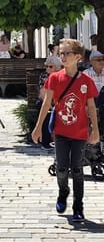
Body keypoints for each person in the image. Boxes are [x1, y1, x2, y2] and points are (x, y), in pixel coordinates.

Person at [31, 39, 100, 222]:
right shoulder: (54, 78)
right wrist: (38, 128)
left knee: (77, 169)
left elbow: (91, 107)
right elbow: (46, 104)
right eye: (61, 53)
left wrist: (96, 131)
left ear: (78, 57)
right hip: (61, 131)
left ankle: (78, 206)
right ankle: (63, 192)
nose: (62, 56)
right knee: (61, 168)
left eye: (67, 53)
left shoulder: (86, 80)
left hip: (80, 132)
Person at [36, 55, 62, 149]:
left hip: (59, 102)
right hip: (46, 102)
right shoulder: (44, 76)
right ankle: (45, 142)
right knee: (46, 111)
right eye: (46, 66)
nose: (48, 68)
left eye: (50, 66)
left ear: (58, 67)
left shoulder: (62, 76)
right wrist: (51, 106)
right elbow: (43, 94)